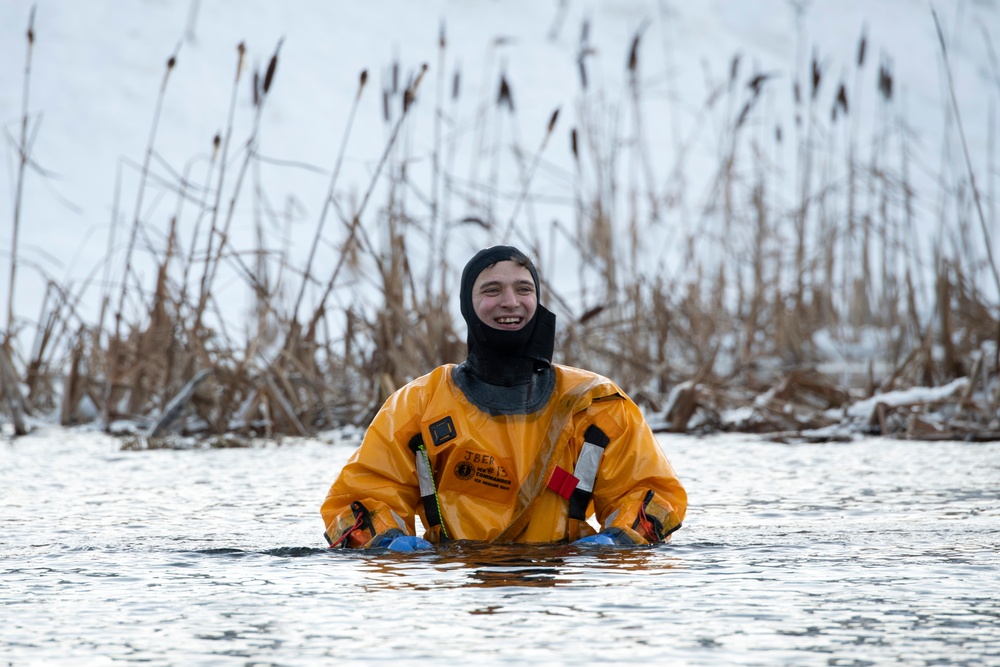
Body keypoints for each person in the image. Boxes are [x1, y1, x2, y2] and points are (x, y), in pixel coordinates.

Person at [320, 245, 687, 550]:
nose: (510, 302)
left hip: (561, 587)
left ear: (538, 301)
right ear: (468, 304)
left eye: (524, 290)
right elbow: (358, 500)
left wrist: (620, 542)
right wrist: (386, 544)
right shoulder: (416, 405)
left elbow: (649, 492)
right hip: (457, 588)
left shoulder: (596, 404)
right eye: (492, 290)